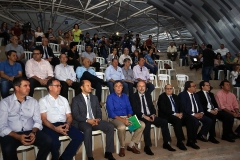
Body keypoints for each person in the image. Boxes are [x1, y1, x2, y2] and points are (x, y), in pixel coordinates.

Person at [0, 77, 52, 160]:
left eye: (29, 85)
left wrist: (33, 132)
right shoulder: (5, 103)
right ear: (17, 88)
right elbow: (2, 126)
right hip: (12, 133)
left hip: (30, 131)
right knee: (7, 149)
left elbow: (38, 121)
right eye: (25, 86)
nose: (29, 88)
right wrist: (17, 136)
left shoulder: (33, 101)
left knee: (48, 141)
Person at [39, 78, 84, 160]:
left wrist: (68, 124)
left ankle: (64, 158)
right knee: (55, 143)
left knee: (79, 136)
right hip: (50, 125)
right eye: (57, 86)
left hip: (64, 124)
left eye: (60, 86)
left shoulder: (64, 99)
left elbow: (69, 116)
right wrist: (55, 128)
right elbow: (44, 120)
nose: (60, 87)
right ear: (50, 87)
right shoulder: (43, 101)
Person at [71, 80, 116, 160]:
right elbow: (75, 115)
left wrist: (98, 119)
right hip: (83, 122)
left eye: (90, 85)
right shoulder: (76, 99)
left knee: (110, 126)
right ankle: (90, 156)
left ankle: (108, 152)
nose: (90, 87)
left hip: (95, 121)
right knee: (88, 129)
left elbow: (99, 111)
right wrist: (87, 120)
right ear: (82, 87)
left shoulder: (94, 98)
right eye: (87, 85)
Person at [130, 82, 176, 155]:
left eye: (143, 86)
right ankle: (147, 146)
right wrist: (144, 116)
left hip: (150, 115)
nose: (142, 88)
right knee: (147, 123)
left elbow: (152, 107)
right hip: (140, 116)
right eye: (140, 86)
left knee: (164, 122)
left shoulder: (148, 95)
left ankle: (166, 143)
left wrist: (153, 114)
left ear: (145, 87)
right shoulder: (133, 96)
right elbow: (135, 110)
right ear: (137, 88)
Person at [106, 80, 145, 157]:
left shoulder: (125, 96)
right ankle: (122, 147)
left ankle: (131, 145)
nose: (118, 88)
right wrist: (123, 120)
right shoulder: (110, 97)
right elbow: (111, 113)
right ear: (113, 88)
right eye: (116, 86)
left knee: (142, 124)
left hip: (126, 117)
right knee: (121, 127)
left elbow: (129, 109)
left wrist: (130, 117)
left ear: (122, 87)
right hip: (115, 118)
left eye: (120, 86)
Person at [158, 84, 200, 149]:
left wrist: (180, 113)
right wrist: (175, 114)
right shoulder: (162, 97)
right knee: (177, 120)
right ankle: (179, 142)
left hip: (178, 115)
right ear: (164, 90)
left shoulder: (175, 96)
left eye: (170, 88)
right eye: (167, 89)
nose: (169, 90)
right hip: (167, 115)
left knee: (190, 118)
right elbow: (163, 109)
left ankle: (190, 141)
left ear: (172, 89)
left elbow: (181, 106)